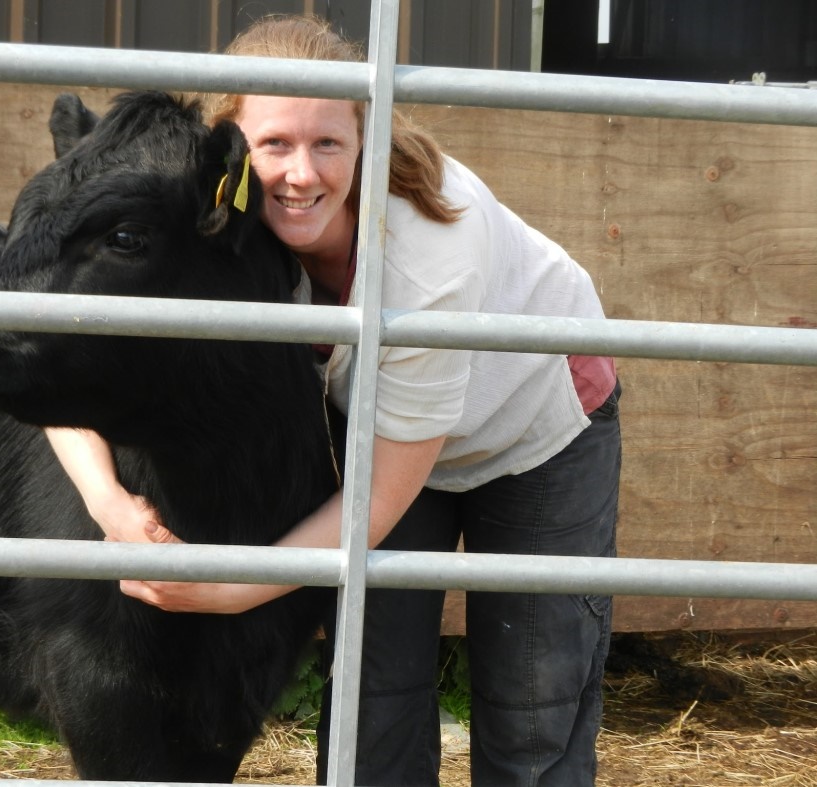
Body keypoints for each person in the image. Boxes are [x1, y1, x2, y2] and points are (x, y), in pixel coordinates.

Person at [46, 14, 621, 786]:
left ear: (366, 140)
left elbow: (377, 499)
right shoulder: (213, 226)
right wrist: (107, 500)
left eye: (327, 144)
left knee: (530, 695)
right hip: (378, 428)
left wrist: (226, 586)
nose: (301, 174)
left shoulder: (428, 258)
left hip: (532, 426)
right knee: (371, 693)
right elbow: (65, 349)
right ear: (228, 149)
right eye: (274, 144)